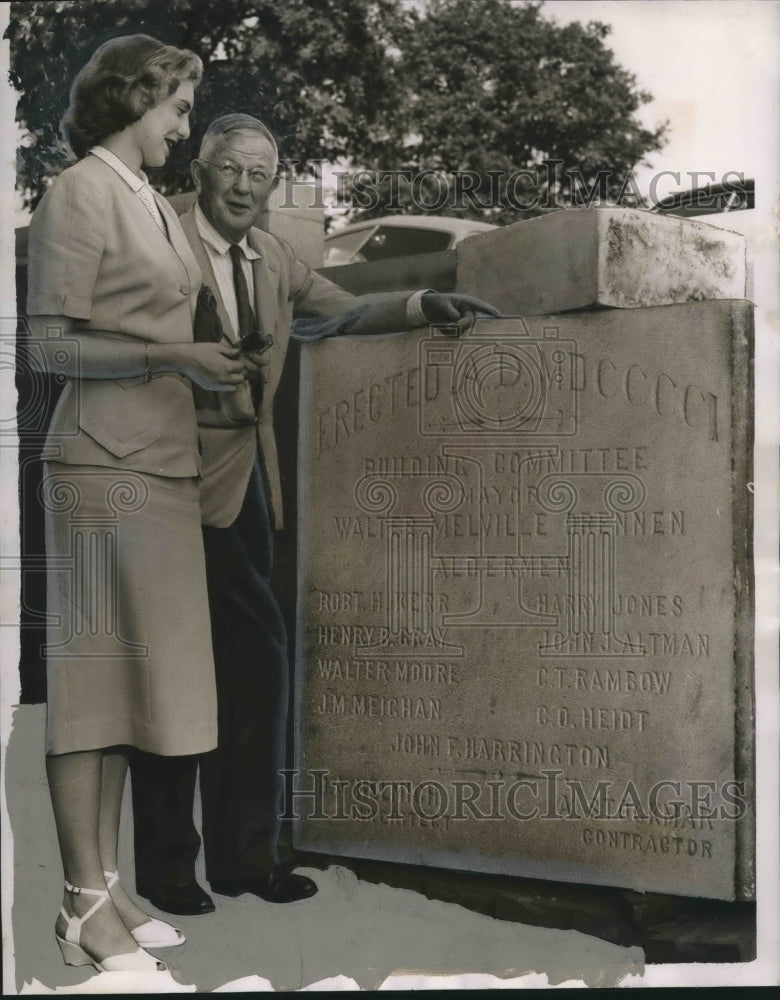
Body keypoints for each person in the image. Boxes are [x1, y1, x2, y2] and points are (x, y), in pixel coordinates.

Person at [129, 113, 499, 914]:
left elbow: (341, 309)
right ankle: (164, 872)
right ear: (200, 171)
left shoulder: (273, 260)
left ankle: (244, 862)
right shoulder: (154, 245)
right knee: (168, 681)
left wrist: (424, 301)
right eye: (230, 169)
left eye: (260, 175)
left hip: (246, 492)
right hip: (161, 489)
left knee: (256, 673)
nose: (244, 187)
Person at [25, 37, 247, 973]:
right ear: (131, 101)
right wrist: (177, 358)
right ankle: (79, 902)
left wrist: (202, 372)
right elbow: (49, 347)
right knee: (88, 692)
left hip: (155, 465)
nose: (183, 125)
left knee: (125, 693)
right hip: (98, 468)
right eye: (174, 108)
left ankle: (106, 886)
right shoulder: (78, 190)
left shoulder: (148, 200)